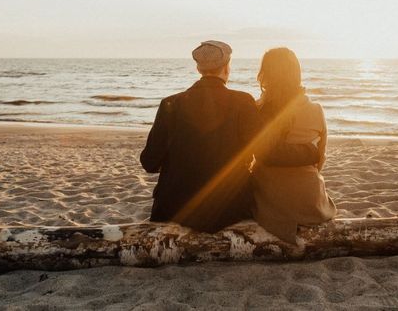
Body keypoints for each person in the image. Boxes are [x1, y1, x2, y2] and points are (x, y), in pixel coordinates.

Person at [140, 41, 319, 233]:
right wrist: (311, 152)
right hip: (226, 210)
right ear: (226, 67)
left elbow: (149, 162)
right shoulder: (242, 102)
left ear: (198, 68)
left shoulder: (170, 104)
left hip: (173, 209)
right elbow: (267, 153)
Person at [250, 47, 337, 243]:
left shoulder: (258, 109)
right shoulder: (316, 109)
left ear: (265, 75)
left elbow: (254, 155)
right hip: (310, 201)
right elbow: (320, 160)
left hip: (270, 200)